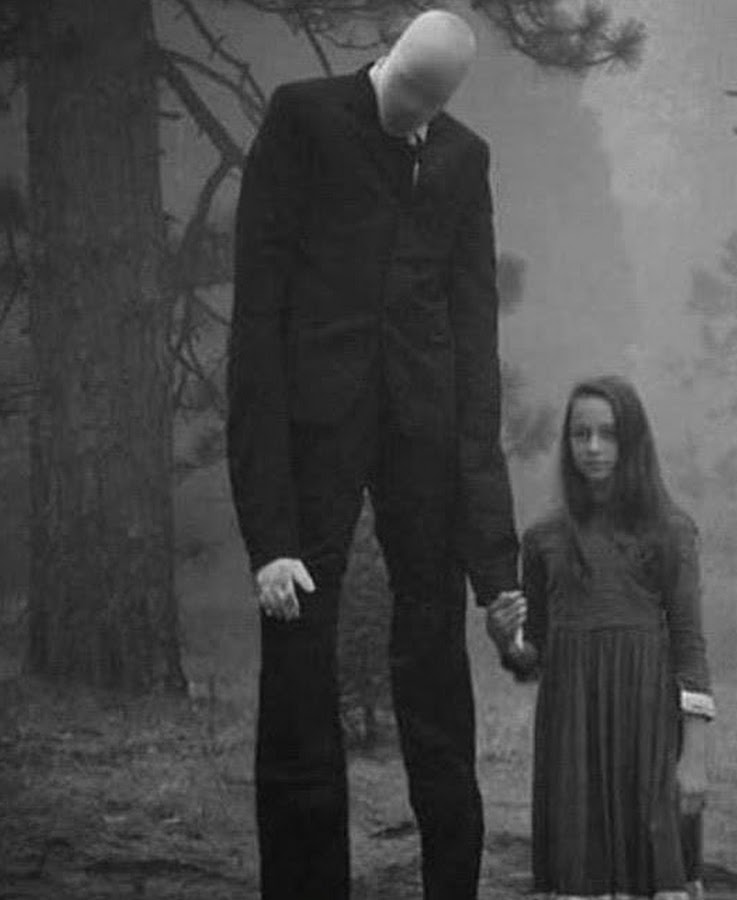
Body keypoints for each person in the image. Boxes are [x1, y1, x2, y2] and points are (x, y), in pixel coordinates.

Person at [226, 10, 521, 900]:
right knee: (295, 648)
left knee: (434, 651)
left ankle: (452, 885)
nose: (411, 114)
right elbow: (257, 328)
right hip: (312, 431)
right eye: (404, 90)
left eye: (430, 104)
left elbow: (476, 356)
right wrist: (270, 537)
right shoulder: (303, 117)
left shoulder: (465, 160)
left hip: (425, 440)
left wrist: (496, 570)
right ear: (386, 56)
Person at [487, 375, 716, 900]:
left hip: (649, 729)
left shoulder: (671, 531)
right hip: (570, 731)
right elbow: (533, 658)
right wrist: (506, 640)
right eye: (580, 434)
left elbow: (690, 647)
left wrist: (694, 759)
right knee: (579, 867)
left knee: (651, 865)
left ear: (632, 440)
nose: (592, 447)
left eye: (608, 434)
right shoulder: (543, 539)